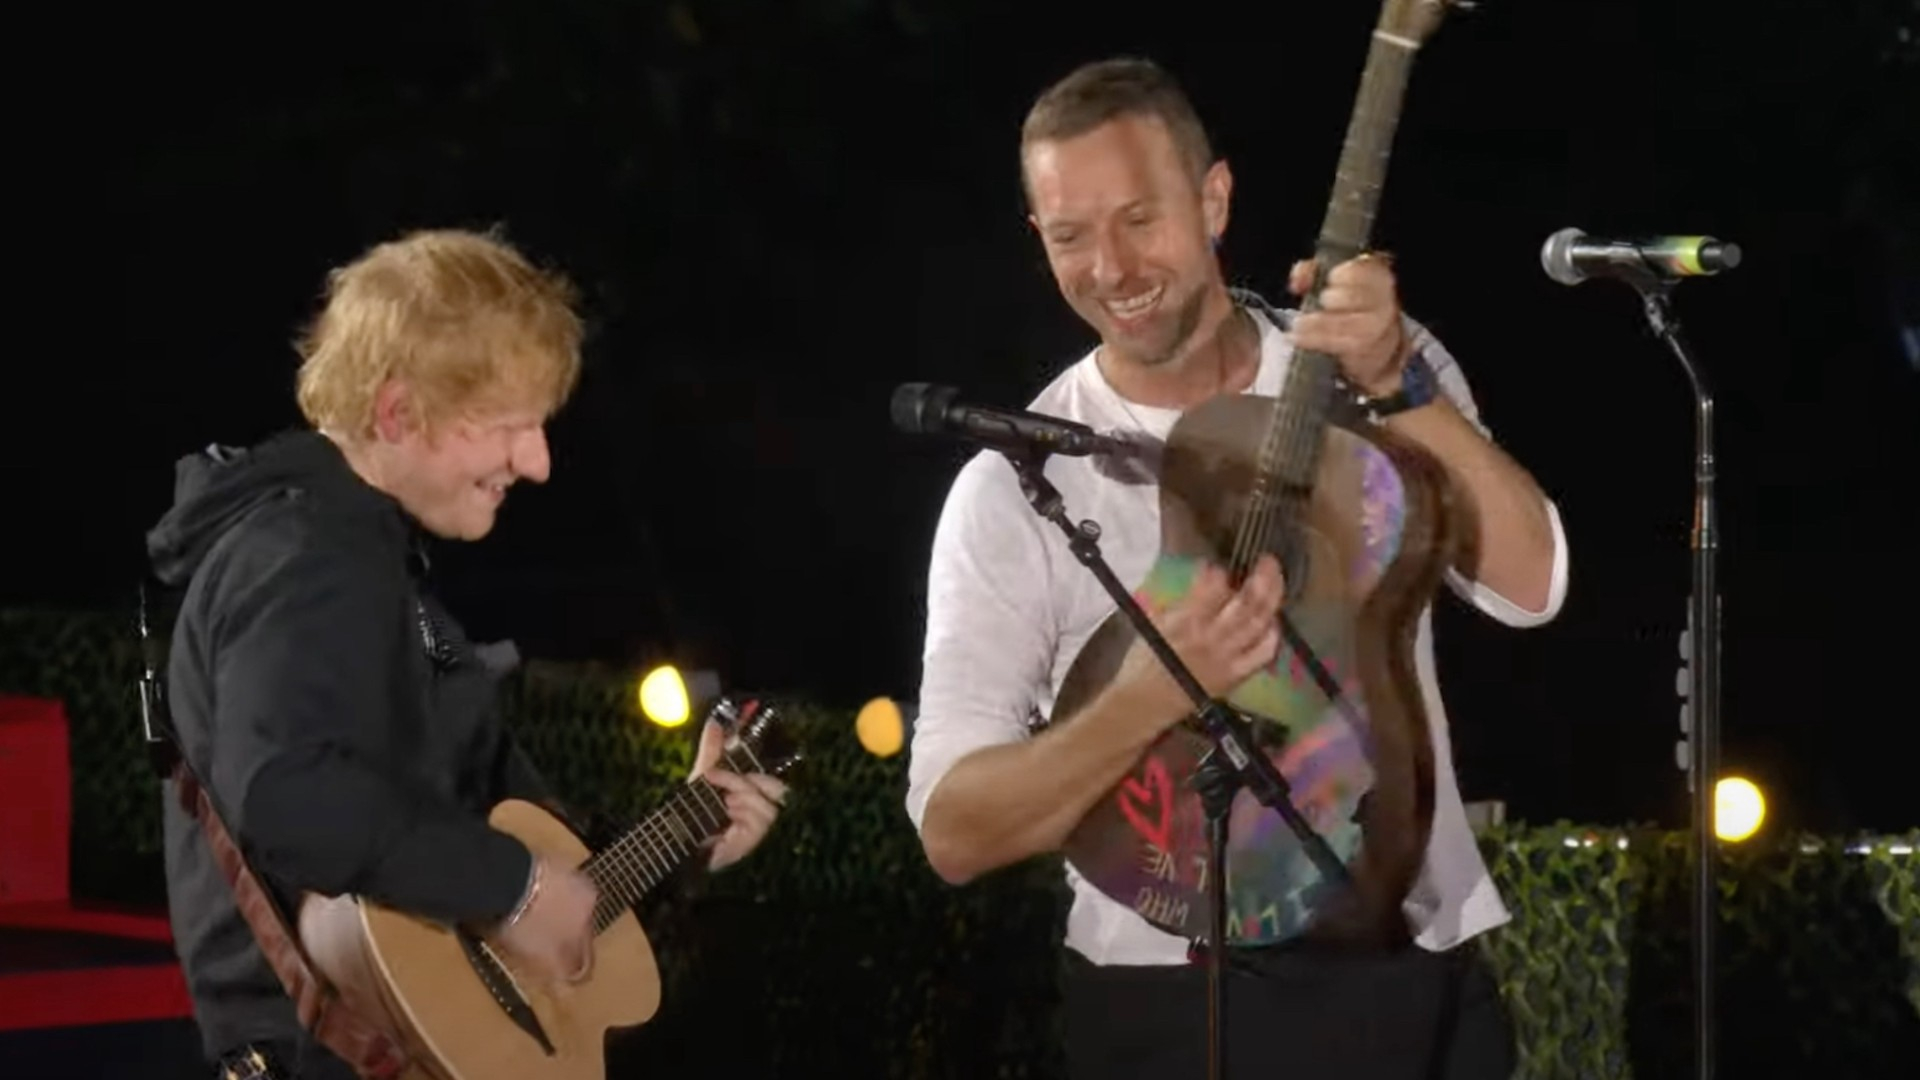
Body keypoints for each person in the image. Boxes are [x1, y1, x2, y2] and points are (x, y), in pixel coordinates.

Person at [904, 58, 1568, 1079]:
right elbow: (954, 831)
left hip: (1417, 955)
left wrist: (1401, 387)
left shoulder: (1371, 364)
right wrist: (1146, 697)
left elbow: (1534, 586)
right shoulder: (1014, 487)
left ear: (1212, 200)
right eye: (1070, 236)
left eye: (1140, 219)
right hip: (1172, 1000)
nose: (1111, 267)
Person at [145, 228, 789, 1080]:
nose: (538, 462)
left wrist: (688, 836)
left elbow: (496, 852)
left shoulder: (369, 571)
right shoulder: (309, 560)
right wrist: (515, 887)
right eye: (510, 426)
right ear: (397, 413)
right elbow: (289, 792)